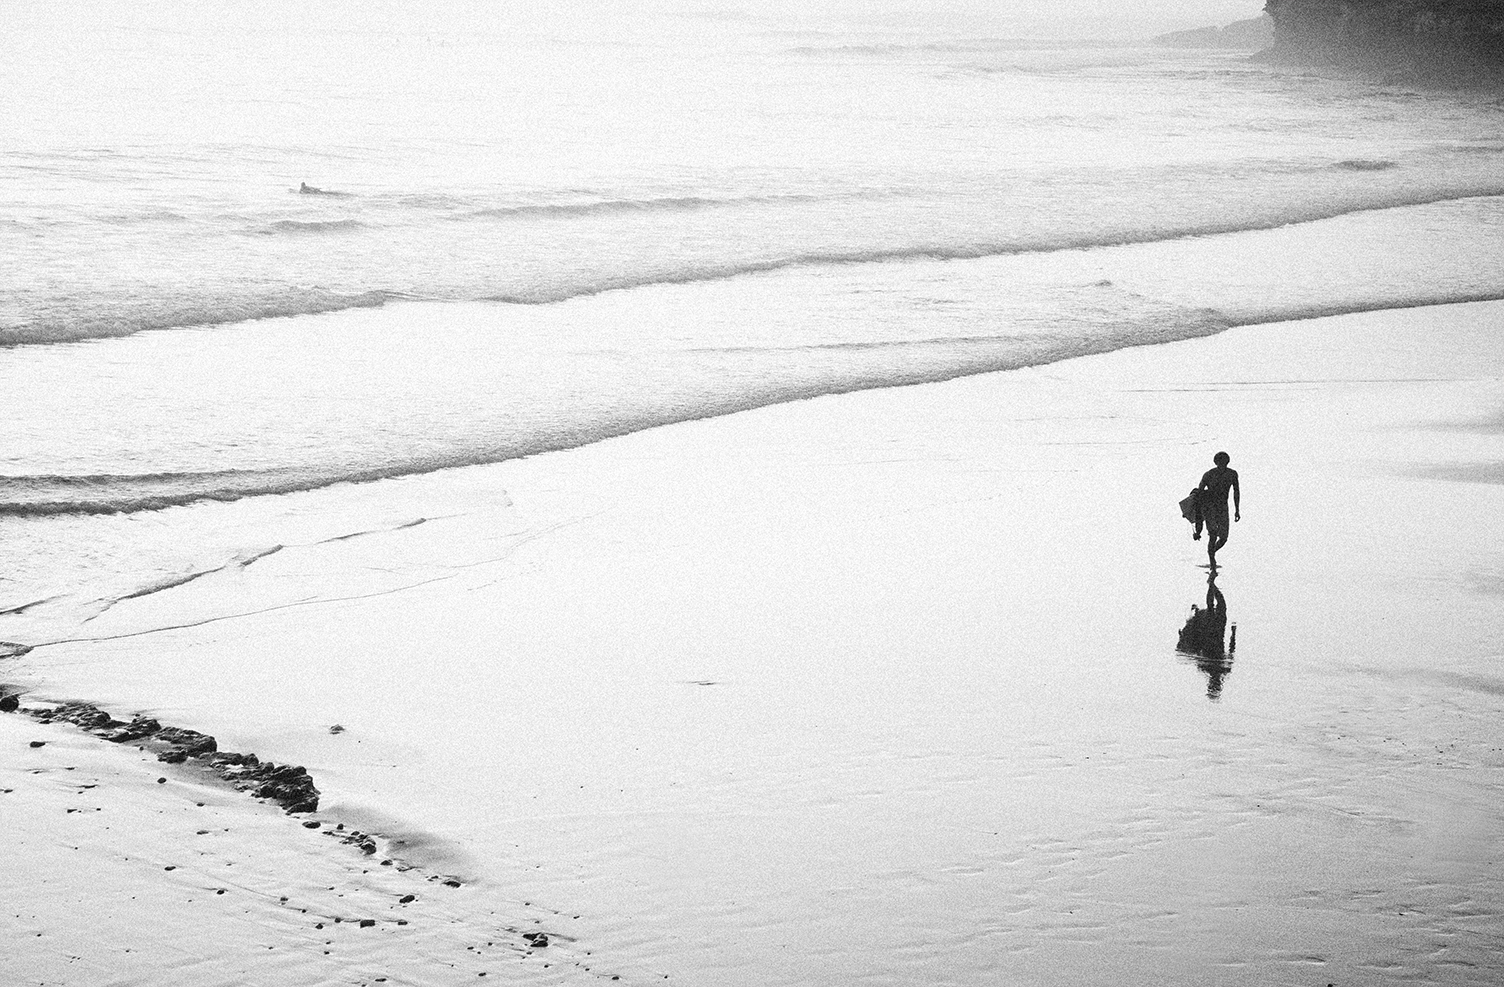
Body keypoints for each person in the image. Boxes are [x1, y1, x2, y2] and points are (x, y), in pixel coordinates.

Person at [1196, 451, 1240, 567]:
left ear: (1227, 462)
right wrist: (1198, 518)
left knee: (1224, 538)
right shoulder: (1209, 474)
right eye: (1220, 463)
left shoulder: (1232, 474)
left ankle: (1211, 552)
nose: (1222, 465)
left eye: (1224, 463)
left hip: (1223, 507)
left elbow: (1236, 492)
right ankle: (1212, 562)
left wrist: (1237, 510)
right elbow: (1199, 493)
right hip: (1209, 507)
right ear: (1216, 462)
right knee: (1213, 534)